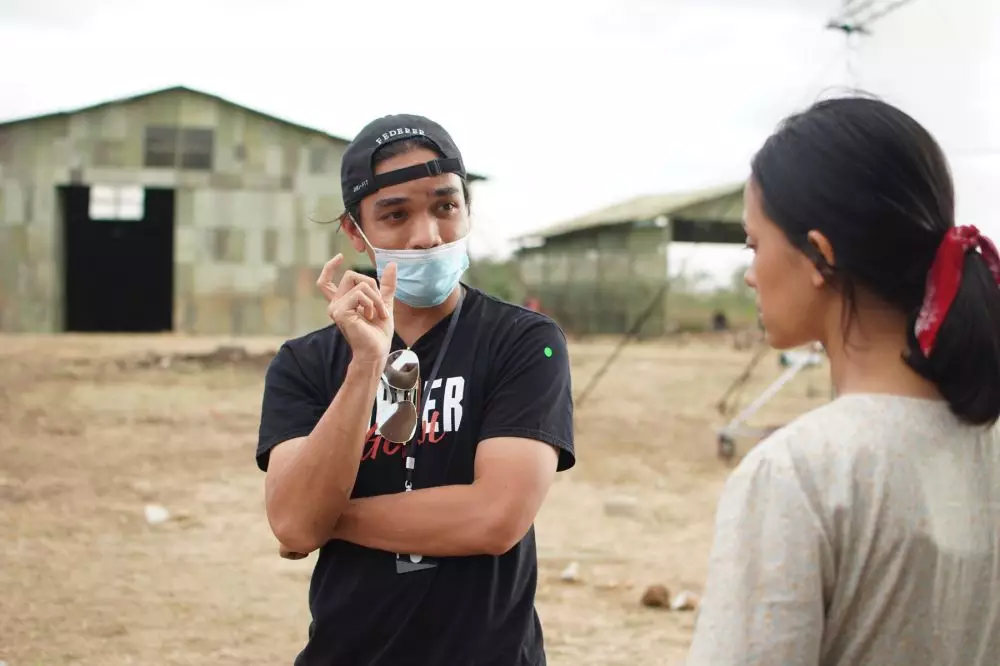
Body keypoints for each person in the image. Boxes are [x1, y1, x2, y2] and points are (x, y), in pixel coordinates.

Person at [687, 95, 1000, 666]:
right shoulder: (988, 440)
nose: (751, 275)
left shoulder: (798, 474)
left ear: (818, 257)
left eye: (755, 245)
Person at [255, 113, 575, 665]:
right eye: (395, 214)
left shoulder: (524, 342)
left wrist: (329, 519)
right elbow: (291, 521)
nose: (427, 234)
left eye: (445, 206)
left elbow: (495, 518)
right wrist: (366, 364)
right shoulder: (305, 363)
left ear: (467, 209)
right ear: (356, 232)